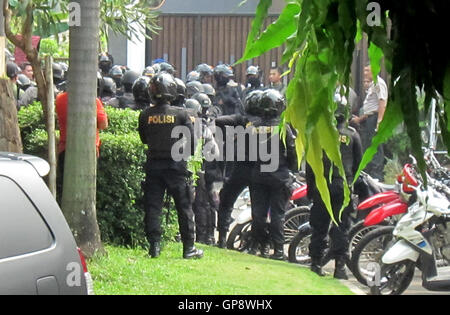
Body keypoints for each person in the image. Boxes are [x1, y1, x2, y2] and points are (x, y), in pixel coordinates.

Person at [138, 72, 203, 259]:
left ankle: (154, 248)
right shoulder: (182, 114)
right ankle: (189, 249)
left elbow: (144, 139)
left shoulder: (145, 115)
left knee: (153, 207)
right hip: (176, 168)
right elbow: (192, 143)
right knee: (184, 207)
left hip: (153, 167)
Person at [307, 102, 363, 279]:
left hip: (322, 184)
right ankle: (340, 267)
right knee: (342, 227)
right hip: (342, 186)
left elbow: (311, 164)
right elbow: (358, 166)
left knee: (319, 226)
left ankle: (316, 263)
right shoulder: (352, 135)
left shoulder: (319, 134)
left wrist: (310, 188)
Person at [249, 89, 297, 259]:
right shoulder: (284, 128)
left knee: (258, 214)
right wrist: (292, 168)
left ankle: (256, 246)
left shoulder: (253, 128)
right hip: (279, 176)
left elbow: (246, 152)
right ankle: (277, 250)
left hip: (258, 175)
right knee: (278, 214)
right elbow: (292, 151)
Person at [214, 90, 264, 248]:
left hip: (241, 169)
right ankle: (256, 245)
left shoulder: (242, 120)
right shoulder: (270, 124)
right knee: (258, 208)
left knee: (226, 201)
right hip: (260, 169)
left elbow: (219, 121)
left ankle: (222, 237)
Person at [55, 82, 109, 205]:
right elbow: (103, 124)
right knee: (86, 191)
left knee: (65, 187)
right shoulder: (92, 101)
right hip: (87, 151)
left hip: (65, 149)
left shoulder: (60, 99)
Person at [351, 65, 388, 180]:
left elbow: (382, 102)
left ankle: (377, 176)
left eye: (367, 70)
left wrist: (380, 120)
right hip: (369, 119)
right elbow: (371, 108)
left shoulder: (379, 83)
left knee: (375, 147)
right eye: (364, 70)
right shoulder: (372, 85)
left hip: (375, 119)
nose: (365, 72)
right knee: (368, 145)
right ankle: (370, 174)